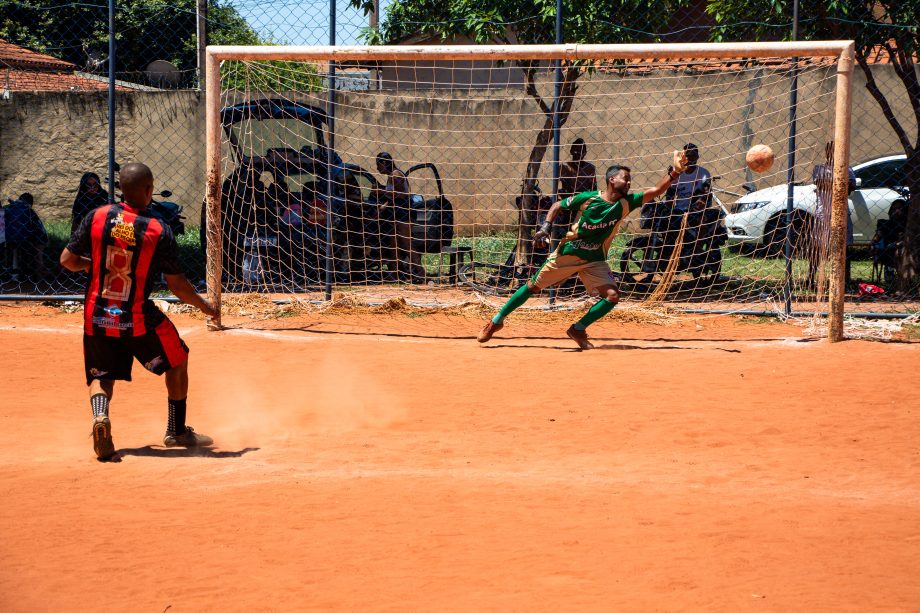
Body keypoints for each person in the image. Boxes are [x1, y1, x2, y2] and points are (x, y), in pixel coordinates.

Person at [60, 162, 218, 462]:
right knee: (178, 359)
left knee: (102, 375)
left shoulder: (96, 217)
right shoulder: (158, 229)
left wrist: (91, 264)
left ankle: (100, 417)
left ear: (120, 188)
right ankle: (177, 430)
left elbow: (67, 260)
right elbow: (177, 285)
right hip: (137, 318)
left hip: (96, 314)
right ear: (149, 189)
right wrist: (203, 305)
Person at [477, 151, 691, 350]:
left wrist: (675, 172)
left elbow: (656, 191)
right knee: (532, 286)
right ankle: (496, 321)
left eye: (629, 180)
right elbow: (558, 205)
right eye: (625, 178)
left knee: (612, 296)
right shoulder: (589, 199)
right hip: (568, 253)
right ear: (611, 180)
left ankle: (577, 329)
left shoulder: (627, 203)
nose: (628, 182)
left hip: (595, 259)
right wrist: (545, 227)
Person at [809, 141, 856, 289]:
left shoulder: (847, 168)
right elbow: (819, 182)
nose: (834, 155)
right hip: (823, 214)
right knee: (817, 247)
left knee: (844, 247)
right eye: (832, 151)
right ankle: (810, 278)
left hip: (842, 213)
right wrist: (840, 182)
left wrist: (838, 183)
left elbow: (851, 186)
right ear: (827, 153)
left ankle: (844, 281)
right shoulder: (819, 168)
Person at [375, 152, 425, 281]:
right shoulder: (391, 176)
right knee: (394, 243)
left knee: (406, 243)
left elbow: (401, 194)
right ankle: (394, 273)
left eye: (378, 164)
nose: (377, 168)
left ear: (385, 163)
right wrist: (381, 209)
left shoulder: (395, 175)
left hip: (404, 212)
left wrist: (380, 191)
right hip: (396, 212)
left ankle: (420, 272)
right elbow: (392, 198)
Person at [4, 192, 49, 278]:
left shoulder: (9, 207)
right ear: (30, 203)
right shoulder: (29, 210)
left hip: (9, 238)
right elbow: (36, 227)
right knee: (32, 252)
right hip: (29, 239)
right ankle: (31, 272)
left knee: (11, 249)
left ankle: (8, 270)